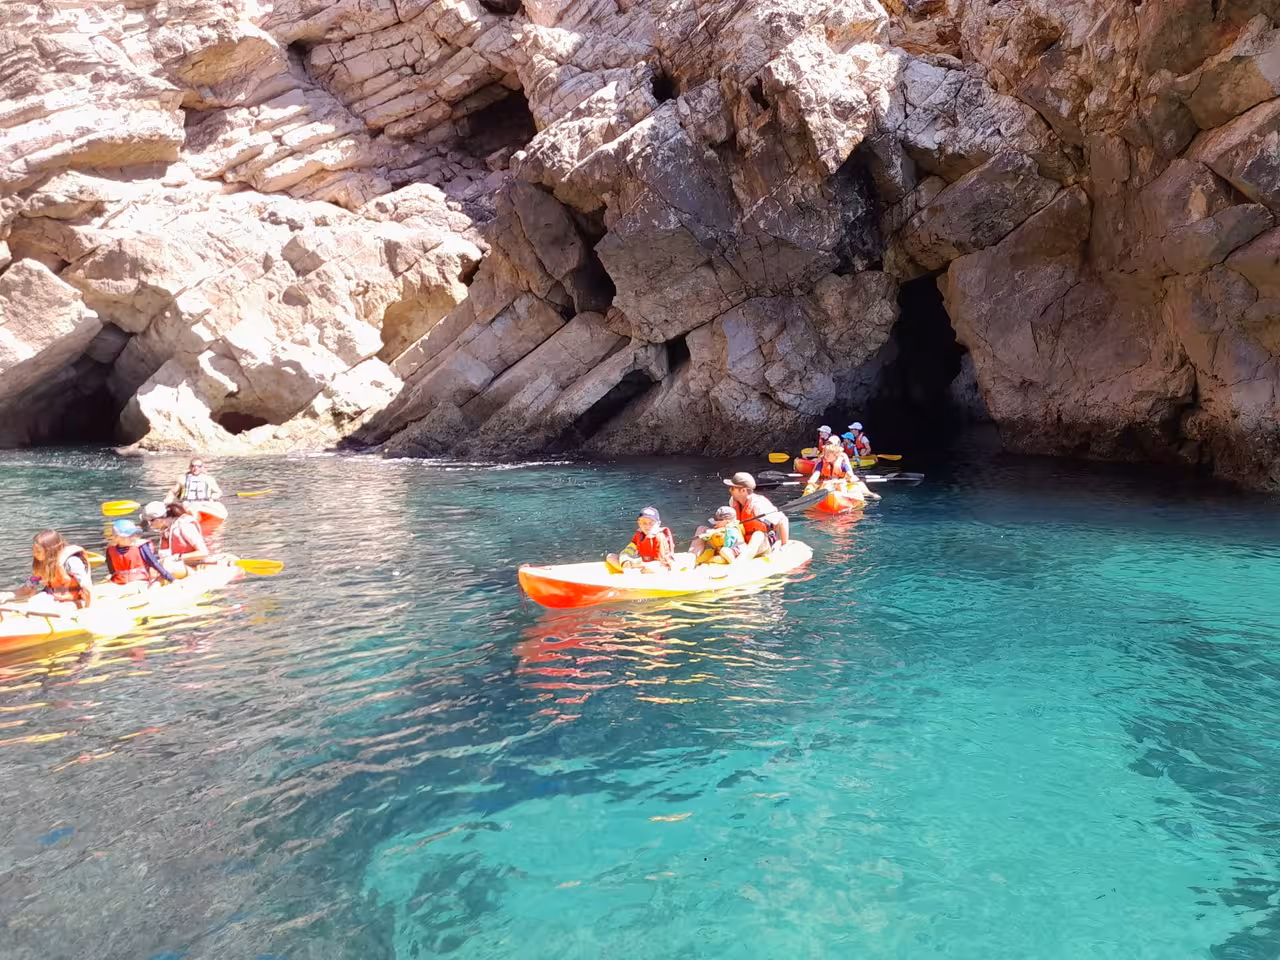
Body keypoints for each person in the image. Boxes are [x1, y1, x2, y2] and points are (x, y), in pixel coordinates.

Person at [0, 530, 93, 610]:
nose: (34, 553)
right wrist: (8, 595)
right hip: (54, 597)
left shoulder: (71, 562)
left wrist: (87, 607)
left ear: (51, 550)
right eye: (33, 549)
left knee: (36, 603)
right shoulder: (43, 564)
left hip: (73, 601)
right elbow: (28, 587)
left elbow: (86, 586)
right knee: (34, 601)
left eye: (38, 551)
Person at [723, 472, 789, 560]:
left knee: (758, 535)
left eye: (732, 488)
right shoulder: (733, 501)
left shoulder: (759, 504)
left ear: (743, 490)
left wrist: (784, 545)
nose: (730, 490)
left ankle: (741, 562)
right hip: (743, 543)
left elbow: (782, 519)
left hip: (763, 545)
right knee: (704, 529)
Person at [805, 439, 880, 502]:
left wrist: (851, 478)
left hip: (840, 482)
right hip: (826, 483)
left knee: (860, 484)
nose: (825, 456)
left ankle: (871, 494)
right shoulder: (822, 462)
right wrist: (812, 480)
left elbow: (849, 473)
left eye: (828, 454)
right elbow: (816, 473)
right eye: (825, 453)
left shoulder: (842, 463)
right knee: (818, 486)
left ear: (835, 455)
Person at [105, 519, 174, 587]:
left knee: (157, 582)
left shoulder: (140, 546)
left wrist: (170, 578)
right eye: (129, 536)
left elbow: (154, 564)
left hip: (140, 582)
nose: (133, 538)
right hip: (118, 583)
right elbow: (112, 571)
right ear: (118, 537)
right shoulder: (110, 550)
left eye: (133, 535)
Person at [606, 506, 676, 573]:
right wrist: (626, 561)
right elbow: (627, 550)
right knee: (610, 557)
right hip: (640, 565)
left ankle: (631, 573)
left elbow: (662, 563)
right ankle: (630, 572)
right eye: (644, 523)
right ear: (639, 523)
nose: (647, 526)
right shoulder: (639, 535)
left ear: (658, 524)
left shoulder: (659, 537)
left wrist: (639, 564)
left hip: (657, 567)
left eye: (651, 523)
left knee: (649, 568)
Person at [157, 501, 212, 570]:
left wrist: (178, 557)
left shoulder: (185, 526)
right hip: (179, 565)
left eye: (150, 521)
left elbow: (203, 552)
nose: (149, 524)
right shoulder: (167, 530)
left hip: (192, 566)